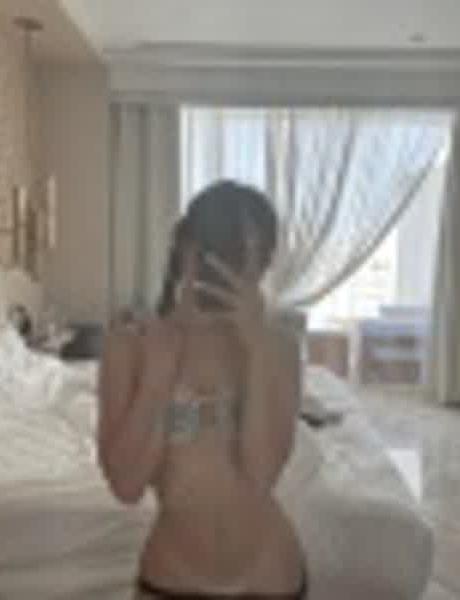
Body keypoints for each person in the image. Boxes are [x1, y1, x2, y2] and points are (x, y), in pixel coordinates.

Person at [97, 180, 305, 599]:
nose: (242, 269)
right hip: (170, 579)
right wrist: (158, 373)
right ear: (186, 247)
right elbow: (126, 486)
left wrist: (257, 352)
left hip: (269, 578)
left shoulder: (279, 347)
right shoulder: (132, 343)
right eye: (226, 250)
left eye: (256, 255)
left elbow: (261, 475)